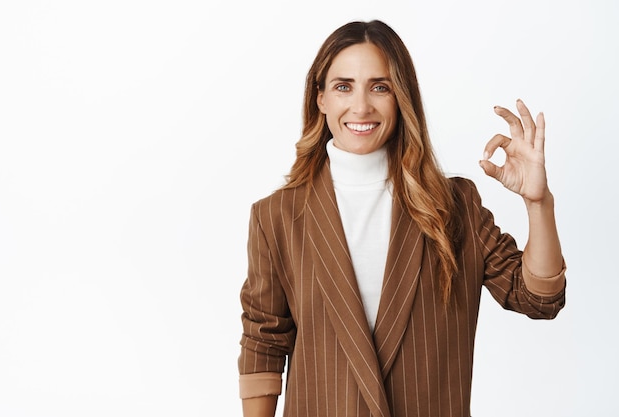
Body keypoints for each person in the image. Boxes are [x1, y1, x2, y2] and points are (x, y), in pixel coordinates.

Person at [238, 19, 566, 417]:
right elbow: (264, 343)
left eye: (380, 86)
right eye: (344, 86)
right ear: (320, 97)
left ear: (401, 97)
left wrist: (538, 202)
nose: (361, 106)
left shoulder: (455, 205)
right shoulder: (277, 216)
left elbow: (537, 299)